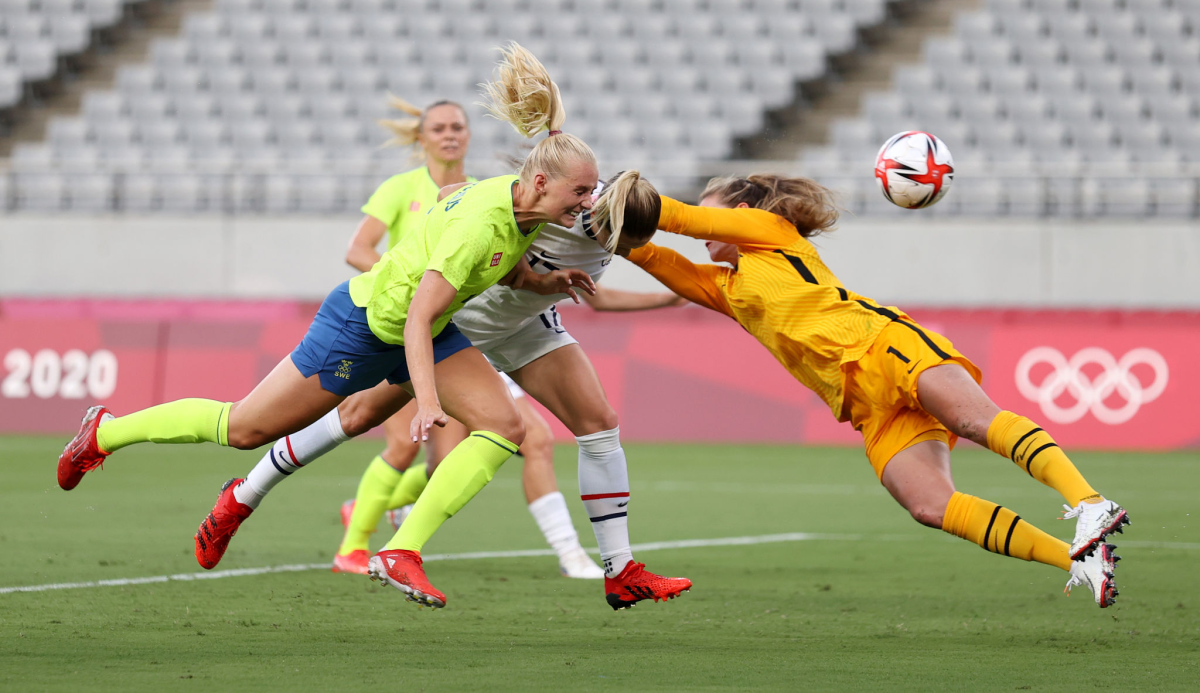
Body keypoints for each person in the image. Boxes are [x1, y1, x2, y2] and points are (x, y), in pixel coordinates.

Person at [58, 43, 602, 609]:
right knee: (243, 428)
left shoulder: (520, 207)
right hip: (364, 326)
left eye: (589, 192)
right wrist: (428, 401)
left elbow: (457, 212)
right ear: (540, 183)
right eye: (580, 192)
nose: (587, 203)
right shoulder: (484, 224)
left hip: (426, 328)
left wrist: (547, 282)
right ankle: (104, 433)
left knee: (504, 426)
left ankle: (400, 550)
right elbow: (420, 310)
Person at [624, 174, 1129, 608]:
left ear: (739, 212)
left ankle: (1089, 503)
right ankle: (1077, 560)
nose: (704, 236)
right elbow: (653, 255)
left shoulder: (769, 230)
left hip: (881, 345)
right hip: (865, 405)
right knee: (929, 505)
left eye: (714, 217)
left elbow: (676, 218)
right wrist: (586, 222)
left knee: (973, 420)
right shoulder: (729, 289)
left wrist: (602, 191)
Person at [334, 93, 606, 579]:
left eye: (457, 127)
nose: (450, 135)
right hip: (399, 321)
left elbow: (507, 264)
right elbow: (357, 249)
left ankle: (378, 517)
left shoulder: (482, 192)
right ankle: (354, 545)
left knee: (469, 451)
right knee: (398, 444)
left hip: (457, 331)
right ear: (422, 138)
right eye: (438, 128)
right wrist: (406, 283)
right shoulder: (401, 188)